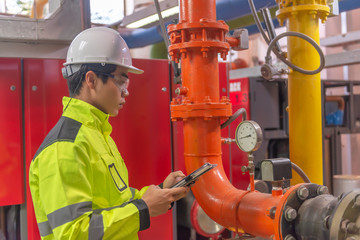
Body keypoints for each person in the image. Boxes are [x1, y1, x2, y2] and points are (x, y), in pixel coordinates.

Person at [29, 27, 189, 239]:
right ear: (91, 80)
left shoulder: (95, 134)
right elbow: (73, 233)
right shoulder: (65, 147)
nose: (126, 90)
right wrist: (143, 209)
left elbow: (115, 201)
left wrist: (160, 192)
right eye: (121, 80)